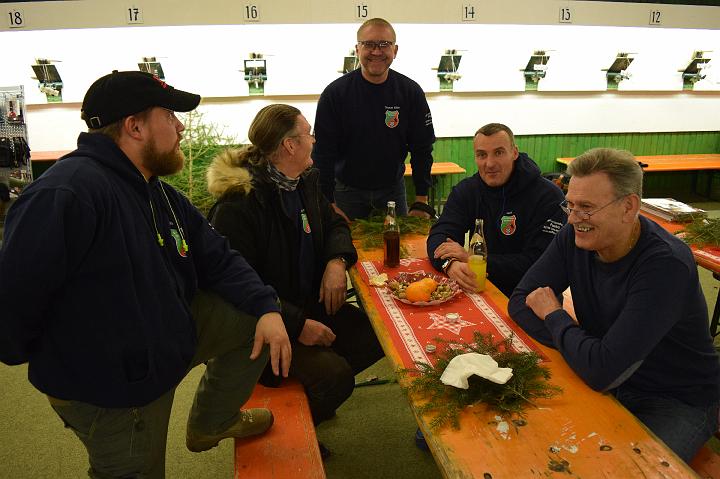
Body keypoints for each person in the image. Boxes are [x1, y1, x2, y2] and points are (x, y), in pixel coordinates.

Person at [0, 70, 292, 478]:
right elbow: (14, 301)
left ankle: (212, 422)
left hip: (162, 342)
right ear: (135, 127)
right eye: (170, 116)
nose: (181, 127)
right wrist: (70, 367)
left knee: (252, 318)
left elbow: (218, 257)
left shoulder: (157, 191)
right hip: (111, 386)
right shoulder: (68, 192)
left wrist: (266, 307)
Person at [508, 148, 720, 463]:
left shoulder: (665, 265)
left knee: (621, 468)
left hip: (676, 398)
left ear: (628, 207)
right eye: (570, 205)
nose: (573, 218)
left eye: (586, 208)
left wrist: (555, 317)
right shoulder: (574, 237)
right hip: (607, 375)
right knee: (534, 444)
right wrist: (587, 351)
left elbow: (603, 371)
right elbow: (520, 302)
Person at [206, 105, 385, 436]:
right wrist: (298, 325)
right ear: (290, 145)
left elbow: (334, 224)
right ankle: (294, 427)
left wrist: (336, 262)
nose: (314, 140)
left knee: (376, 336)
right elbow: (238, 287)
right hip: (263, 327)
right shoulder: (238, 204)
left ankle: (312, 396)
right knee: (334, 376)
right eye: (309, 134)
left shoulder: (303, 181)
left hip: (307, 305)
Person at [312, 17, 436, 221]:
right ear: (357, 49)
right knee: (346, 241)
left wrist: (422, 198)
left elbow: (422, 148)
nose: (376, 51)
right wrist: (328, 202)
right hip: (345, 192)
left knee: (397, 241)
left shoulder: (410, 92)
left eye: (384, 44)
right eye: (369, 44)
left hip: (392, 191)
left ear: (395, 50)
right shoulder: (335, 94)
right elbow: (323, 153)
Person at [426, 123, 566, 297]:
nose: (490, 163)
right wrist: (450, 264)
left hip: (533, 296)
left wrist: (473, 259)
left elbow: (538, 263)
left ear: (514, 153)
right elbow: (439, 235)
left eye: (498, 153)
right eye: (482, 155)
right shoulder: (467, 190)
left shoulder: (548, 196)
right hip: (479, 288)